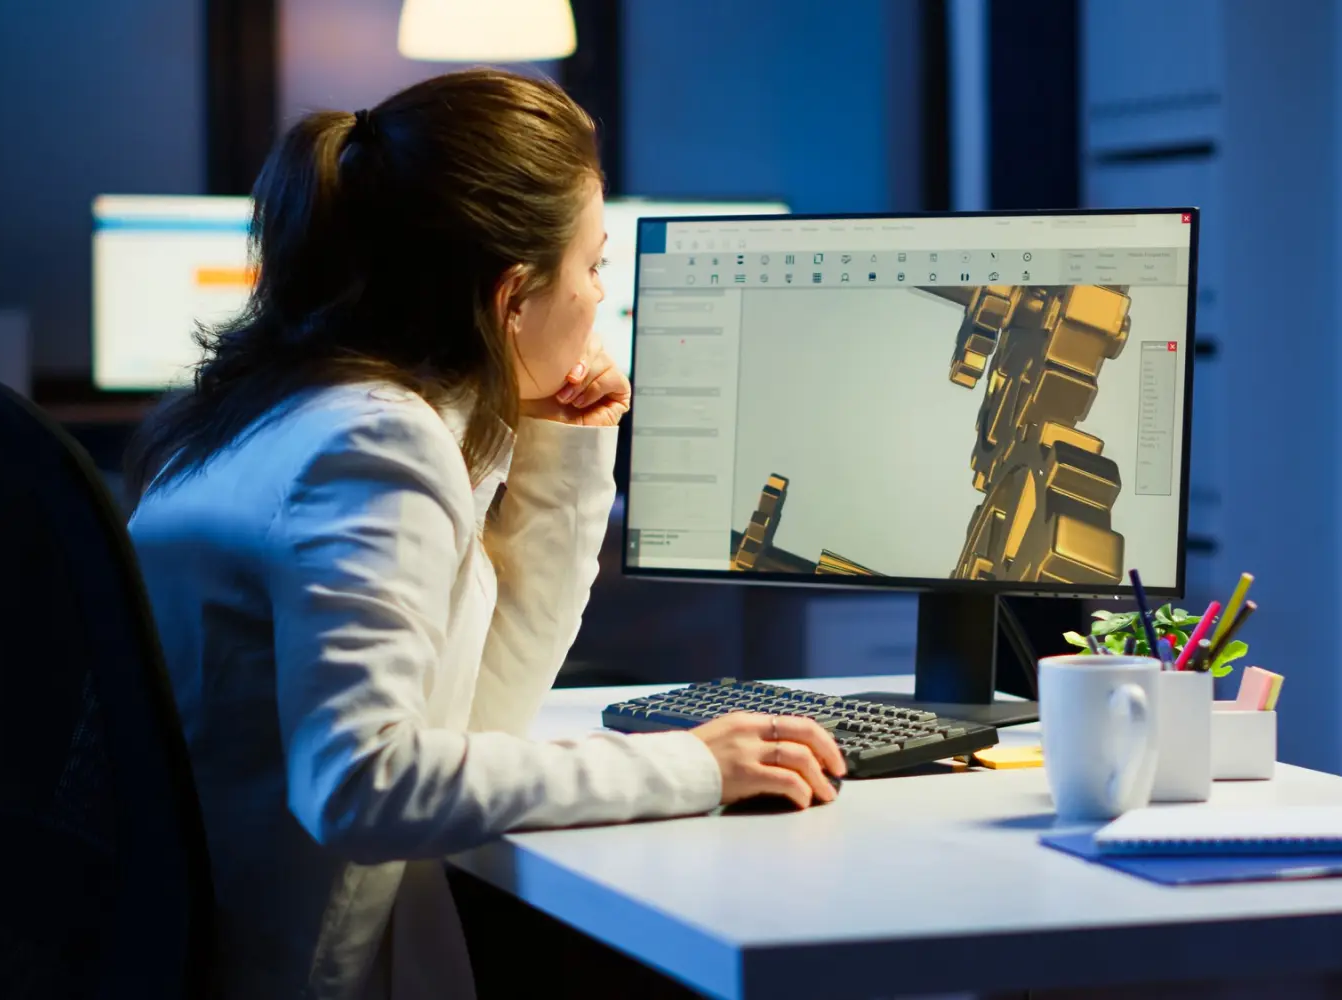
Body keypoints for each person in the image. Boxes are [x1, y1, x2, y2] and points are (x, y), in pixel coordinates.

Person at [124, 69, 845, 1000]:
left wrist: (565, 449)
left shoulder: (279, 406)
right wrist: (690, 763)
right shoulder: (373, 441)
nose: (599, 299)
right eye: (594, 267)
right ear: (512, 297)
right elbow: (363, 784)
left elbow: (477, 718)